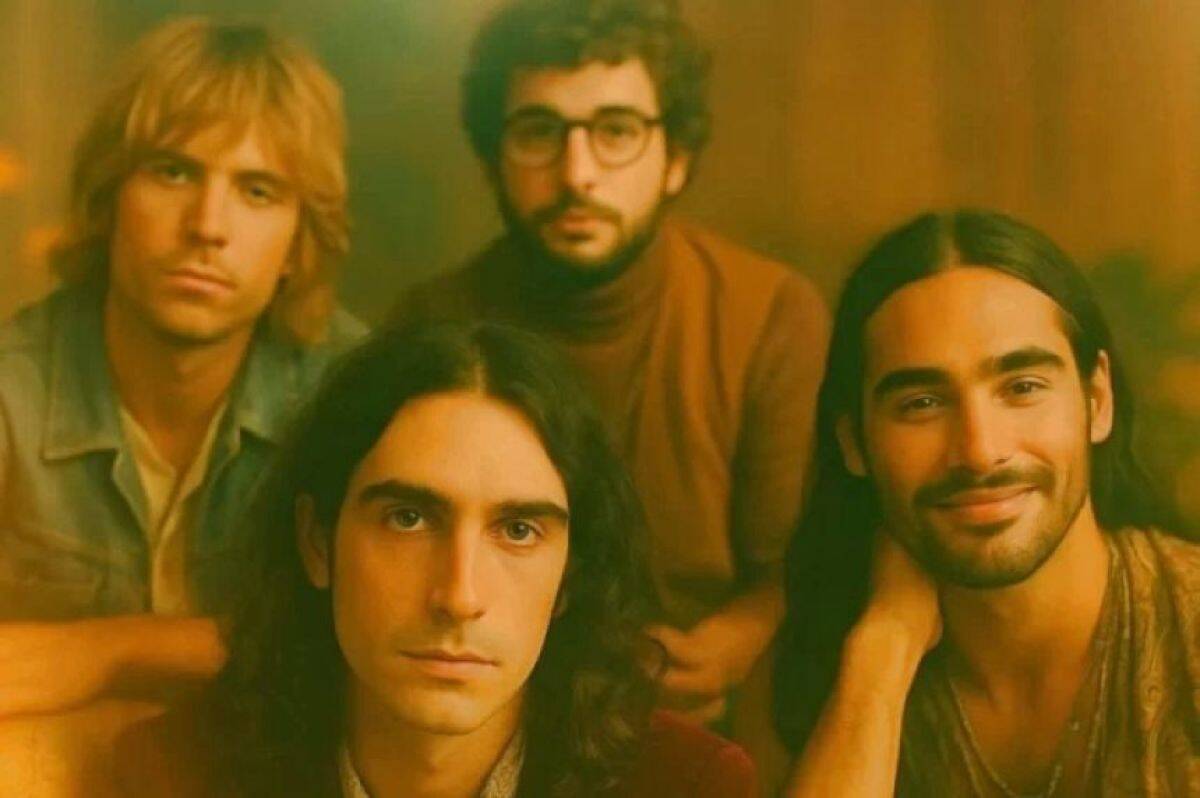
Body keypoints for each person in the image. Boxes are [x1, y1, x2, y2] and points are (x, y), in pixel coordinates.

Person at [389, 0, 830, 760]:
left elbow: (805, 566)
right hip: (481, 715)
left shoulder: (769, 314)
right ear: (494, 158)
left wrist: (739, 637)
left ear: (676, 157)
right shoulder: (430, 326)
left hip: (700, 719)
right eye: (539, 133)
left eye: (616, 131)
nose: (577, 173)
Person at [115, 321, 759, 797]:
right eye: (409, 519)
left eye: (518, 531)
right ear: (317, 543)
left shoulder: (690, 786)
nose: (458, 596)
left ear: (571, 572)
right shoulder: (175, 776)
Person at [0, 17, 362, 718]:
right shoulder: (14, 385)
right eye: (174, 172)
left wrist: (107, 651)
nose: (207, 226)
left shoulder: (354, 395)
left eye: (257, 191)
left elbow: (376, 650)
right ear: (109, 198)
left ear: (298, 244)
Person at [774, 209, 1196, 796]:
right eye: (922, 404)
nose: (978, 451)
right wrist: (884, 651)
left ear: (1097, 400)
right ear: (854, 442)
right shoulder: (814, 661)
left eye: (1022, 388)